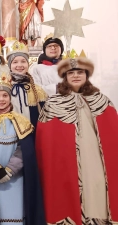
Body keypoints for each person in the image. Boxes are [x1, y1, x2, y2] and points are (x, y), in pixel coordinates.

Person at [36, 57, 118, 224]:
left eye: (80, 72)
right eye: (71, 72)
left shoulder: (101, 100)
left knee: (97, 189)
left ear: (86, 75)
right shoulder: (53, 103)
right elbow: (46, 141)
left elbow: (112, 133)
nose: (75, 76)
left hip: (96, 158)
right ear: (65, 76)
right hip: (67, 161)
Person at [0, 72, 45, 225]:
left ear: (9, 97)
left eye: (5, 96)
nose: (1, 100)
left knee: (14, 213)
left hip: (15, 178)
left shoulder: (21, 120)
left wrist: (11, 169)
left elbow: (25, 149)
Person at [7, 41, 48, 127]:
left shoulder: (37, 90)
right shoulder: (4, 88)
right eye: (15, 62)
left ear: (28, 64)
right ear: (9, 65)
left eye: (23, 61)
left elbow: (43, 117)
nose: (20, 65)